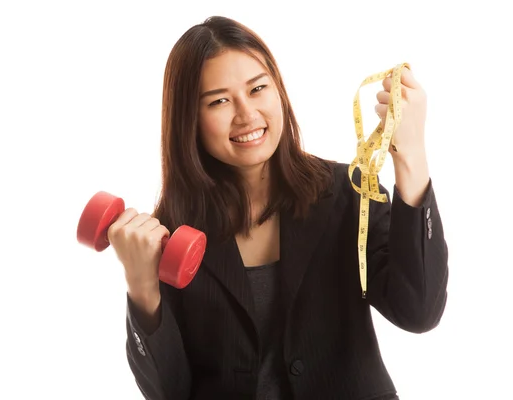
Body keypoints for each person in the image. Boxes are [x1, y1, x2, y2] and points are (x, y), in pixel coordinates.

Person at [106, 15, 449, 400]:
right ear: (190, 120)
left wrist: (411, 157)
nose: (246, 113)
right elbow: (168, 391)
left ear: (279, 91)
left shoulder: (346, 192)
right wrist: (141, 286)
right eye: (219, 101)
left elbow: (419, 311)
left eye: (257, 89)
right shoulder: (169, 235)